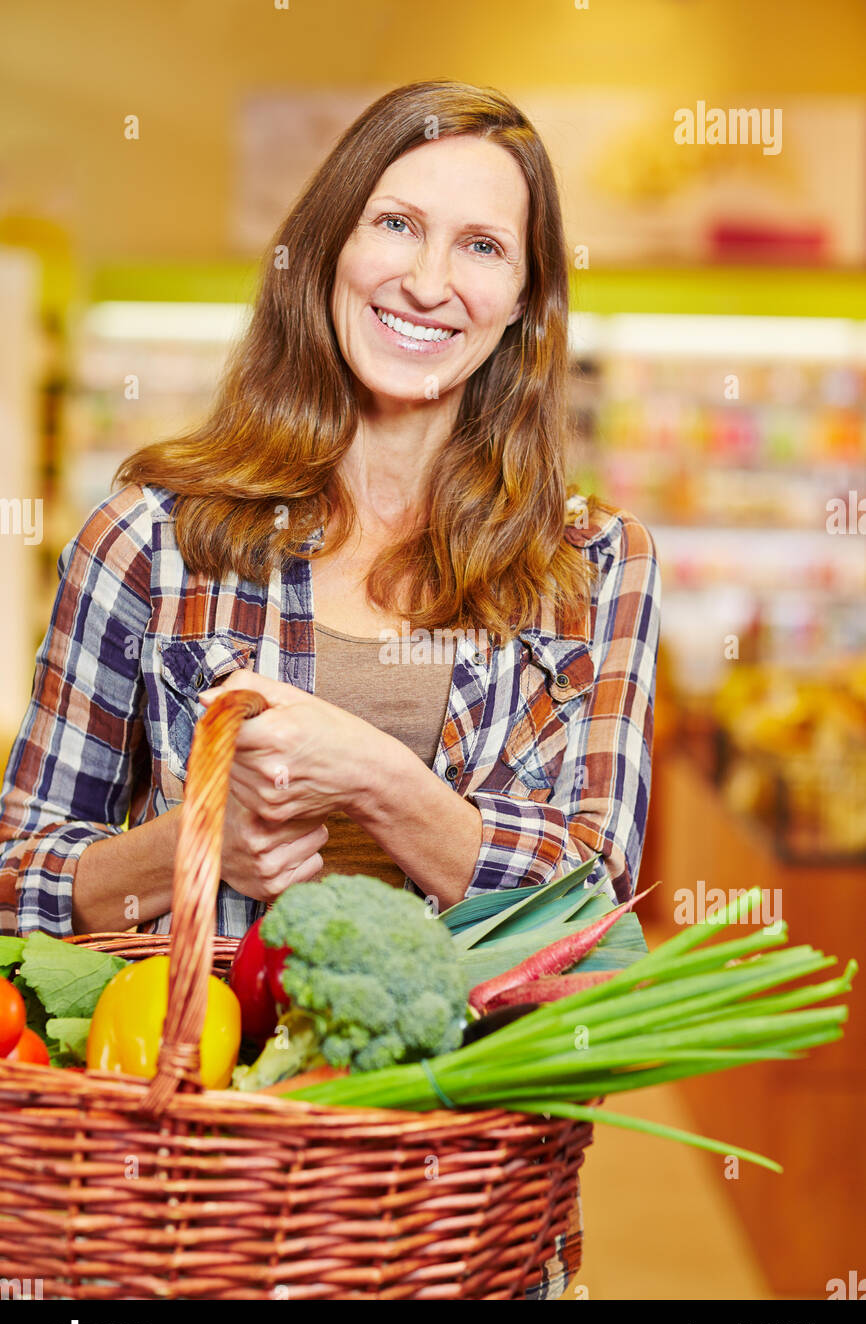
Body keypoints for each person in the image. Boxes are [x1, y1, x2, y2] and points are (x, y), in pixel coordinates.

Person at [0, 79, 660, 949]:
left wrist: (379, 779)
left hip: (472, 1083)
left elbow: (594, 904)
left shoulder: (597, 564)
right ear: (327, 246)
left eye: (482, 246)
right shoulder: (147, 540)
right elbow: (19, 884)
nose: (428, 283)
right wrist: (193, 844)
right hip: (211, 1079)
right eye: (396, 224)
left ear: (525, 302)